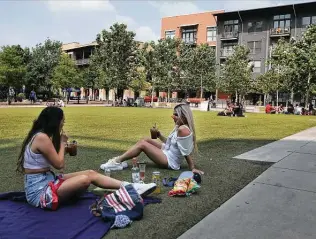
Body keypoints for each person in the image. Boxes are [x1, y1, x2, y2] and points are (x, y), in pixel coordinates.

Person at [17, 107, 156, 210]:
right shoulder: (42, 137)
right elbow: (59, 164)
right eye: (62, 122)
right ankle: (132, 188)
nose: (63, 124)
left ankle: (133, 187)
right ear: (55, 121)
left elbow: (53, 159)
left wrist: (64, 149)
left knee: (90, 173)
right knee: (84, 180)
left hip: (48, 180)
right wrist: (63, 143)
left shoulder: (40, 136)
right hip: (40, 193)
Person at [101, 103, 204, 175]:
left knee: (142, 144)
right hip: (167, 151)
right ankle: (120, 161)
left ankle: (117, 162)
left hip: (170, 160)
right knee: (145, 139)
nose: (173, 117)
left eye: (176, 115)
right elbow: (170, 143)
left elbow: (186, 152)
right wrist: (158, 135)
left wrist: (192, 168)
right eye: (174, 114)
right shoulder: (179, 126)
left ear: (184, 116)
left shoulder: (182, 129)